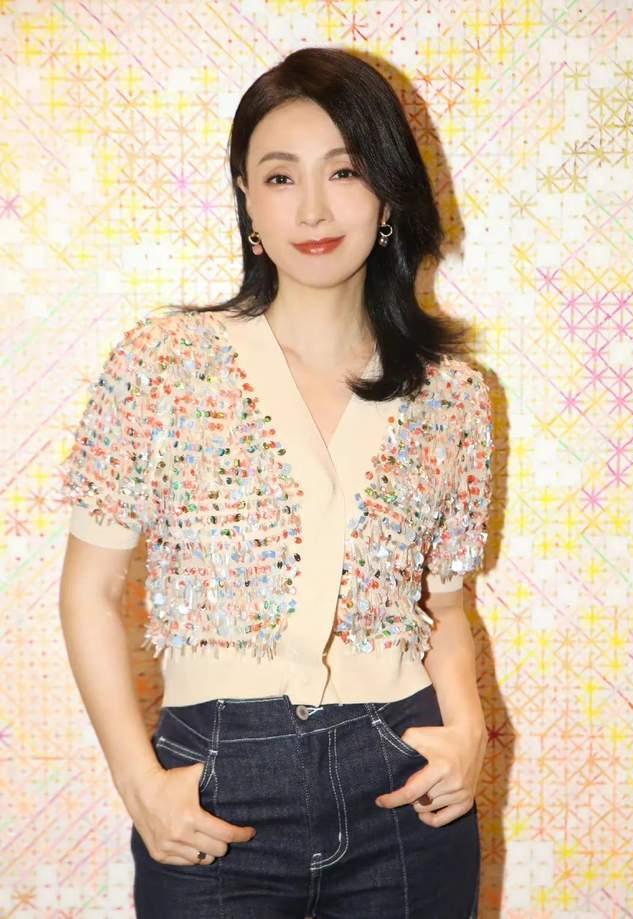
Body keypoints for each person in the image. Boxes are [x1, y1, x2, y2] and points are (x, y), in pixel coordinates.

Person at [58, 46, 493, 919]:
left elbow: (443, 606)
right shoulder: (164, 364)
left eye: (345, 170)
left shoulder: (452, 393)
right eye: (281, 177)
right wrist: (139, 782)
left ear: (388, 194)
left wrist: (469, 734)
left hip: (404, 786)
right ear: (248, 201)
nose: (315, 208)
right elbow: (88, 591)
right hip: (215, 789)